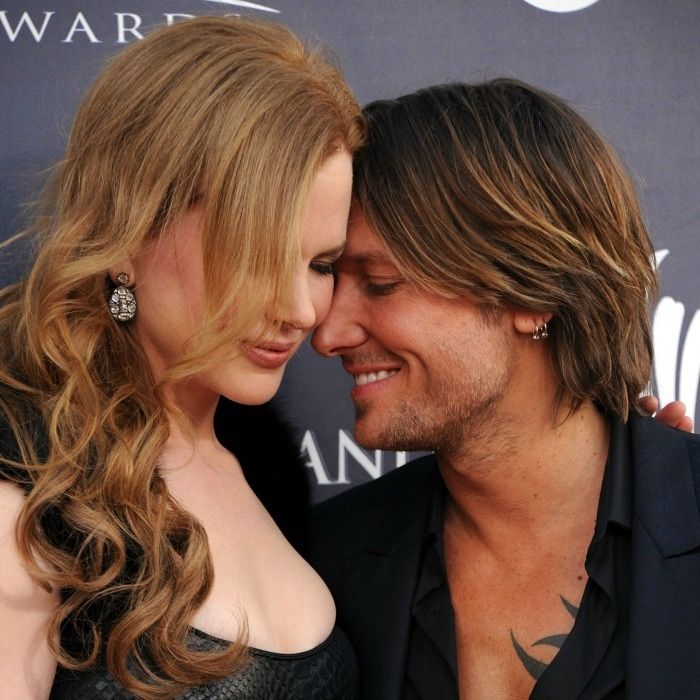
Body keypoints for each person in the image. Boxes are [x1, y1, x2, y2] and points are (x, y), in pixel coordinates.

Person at [0, 16, 364, 699]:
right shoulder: (27, 464)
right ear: (130, 232)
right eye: (255, 254)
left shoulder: (262, 467)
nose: (303, 310)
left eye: (321, 263)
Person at [310, 78, 700, 700]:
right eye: (330, 279)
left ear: (531, 291)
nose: (325, 333)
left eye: (380, 283)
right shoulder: (327, 560)